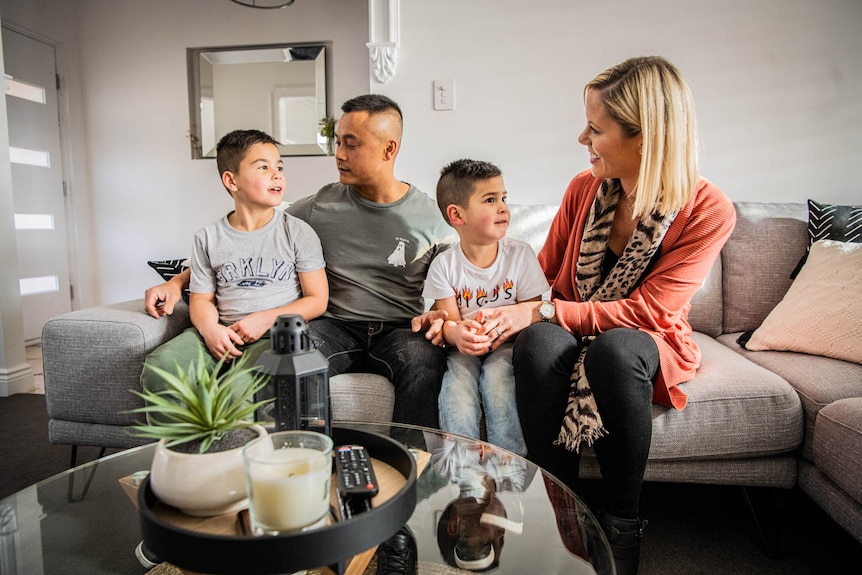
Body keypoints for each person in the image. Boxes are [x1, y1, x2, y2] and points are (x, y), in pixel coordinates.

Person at [422, 56, 737, 575]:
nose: (581, 138)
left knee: (613, 350)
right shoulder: (583, 189)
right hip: (566, 328)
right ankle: (558, 507)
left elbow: (650, 310)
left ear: (646, 137)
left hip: (644, 340)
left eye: (595, 128)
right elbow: (537, 281)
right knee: (541, 343)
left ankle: (621, 524)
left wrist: (541, 310)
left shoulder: (707, 208)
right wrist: (456, 318)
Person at [141, 129, 327, 396]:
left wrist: (265, 320)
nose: (277, 174)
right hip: (222, 332)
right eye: (263, 167)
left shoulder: (297, 232)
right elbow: (202, 299)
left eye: (279, 167)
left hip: (274, 336)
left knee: (242, 387)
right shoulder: (208, 238)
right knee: (162, 367)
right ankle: (181, 440)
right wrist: (210, 330)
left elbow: (317, 299)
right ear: (231, 180)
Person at [422, 159, 549, 456]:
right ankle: (463, 469)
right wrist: (459, 335)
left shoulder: (520, 254)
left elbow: (534, 311)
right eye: (490, 200)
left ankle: (510, 466)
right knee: (456, 386)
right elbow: (448, 322)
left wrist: (503, 332)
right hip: (464, 351)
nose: (503, 207)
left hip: (508, 346)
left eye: (503, 198)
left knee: (498, 380)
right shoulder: (444, 265)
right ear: (457, 214)